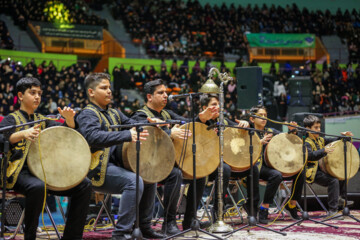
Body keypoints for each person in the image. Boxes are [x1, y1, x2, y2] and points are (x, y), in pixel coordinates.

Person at [0, 77, 92, 240]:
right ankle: (30, 236)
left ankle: (72, 236)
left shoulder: (43, 120)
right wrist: (22, 134)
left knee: (84, 185)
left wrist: (70, 122)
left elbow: (63, 135)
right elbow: (1, 139)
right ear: (20, 96)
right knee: (37, 186)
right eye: (32, 93)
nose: (37, 97)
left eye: (39, 94)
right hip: (19, 174)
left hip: (45, 174)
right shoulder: (11, 119)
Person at [76, 73, 163, 240]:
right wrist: (126, 135)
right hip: (95, 170)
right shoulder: (88, 114)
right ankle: (120, 233)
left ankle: (144, 227)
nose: (109, 91)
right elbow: (92, 137)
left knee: (149, 176)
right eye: (103, 88)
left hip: (115, 167)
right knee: (134, 181)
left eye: (109, 87)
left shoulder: (114, 113)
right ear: (91, 92)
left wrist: (149, 123)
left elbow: (132, 125)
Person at [131, 79, 212, 235]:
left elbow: (187, 124)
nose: (165, 95)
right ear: (149, 97)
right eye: (160, 93)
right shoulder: (140, 115)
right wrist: (169, 133)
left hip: (168, 163)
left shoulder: (167, 114)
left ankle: (190, 221)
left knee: (199, 174)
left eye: (166, 92)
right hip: (149, 165)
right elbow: (145, 137)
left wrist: (201, 118)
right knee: (175, 174)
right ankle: (169, 222)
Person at [198, 94, 260, 222]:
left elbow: (244, 130)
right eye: (214, 104)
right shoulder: (200, 122)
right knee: (224, 169)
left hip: (228, 164)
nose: (218, 107)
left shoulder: (224, 121)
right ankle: (218, 209)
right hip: (208, 166)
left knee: (253, 168)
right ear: (204, 107)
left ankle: (252, 207)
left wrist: (246, 123)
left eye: (219, 104)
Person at [249, 105, 304, 224]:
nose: (264, 118)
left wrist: (292, 131)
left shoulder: (271, 132)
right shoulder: (249, 133)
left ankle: (292, 205)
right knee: (276, 175)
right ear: (252, 119)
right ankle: (264, 207)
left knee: (300, 171)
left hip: (273, 166)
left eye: (265, 116)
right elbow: (242, 152)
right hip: (256, 167)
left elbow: (287, 140)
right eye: (260, 116)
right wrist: (259, 143)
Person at [304, 115, 354, 218]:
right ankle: (332, 210)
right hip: (312, 173)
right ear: (308, 129)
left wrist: (344, 137)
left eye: (319, 127)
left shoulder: (321, 140)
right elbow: (309, 156)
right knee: (333, 180)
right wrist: (323, 151)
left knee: (341, 173)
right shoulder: (306, 142)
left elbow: (334, 140)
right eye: (316, 128)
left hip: (323, 171)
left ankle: (340, 198)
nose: (319, 129)